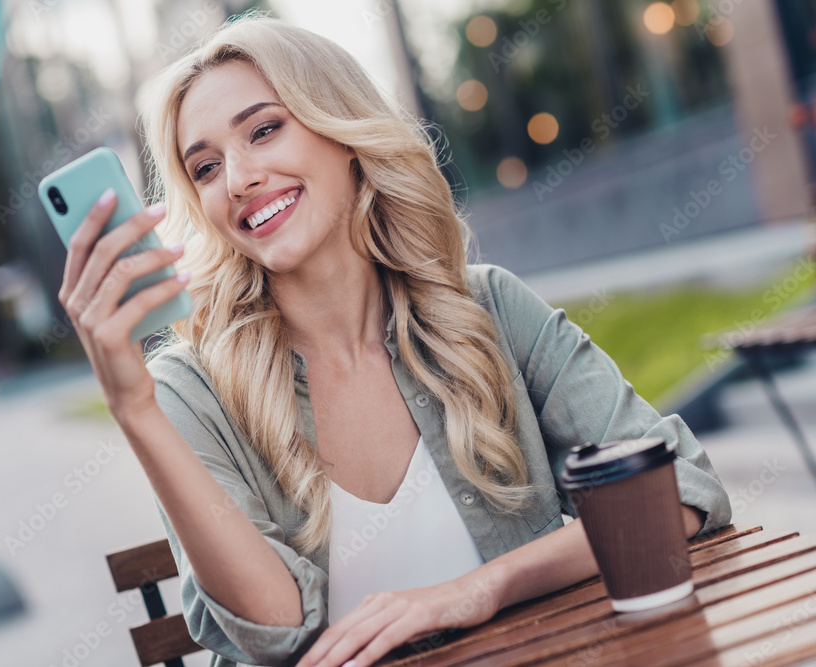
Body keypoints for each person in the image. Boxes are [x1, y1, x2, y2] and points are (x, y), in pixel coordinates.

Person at [56, 13, 732, 667]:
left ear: (342, 132)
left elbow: (681, 489)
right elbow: (273, 631)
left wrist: (479, 589)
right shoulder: (190, 391)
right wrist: (133, 408)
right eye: (204, 168)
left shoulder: (487, 308)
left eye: (264, 130)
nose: (238, 180)